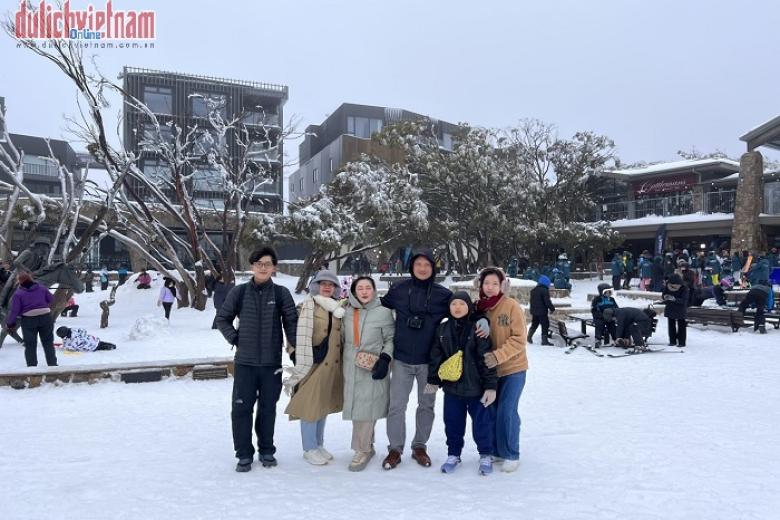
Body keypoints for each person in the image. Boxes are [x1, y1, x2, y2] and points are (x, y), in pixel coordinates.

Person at [215, 246, 298, 472]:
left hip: (271, 364)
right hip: (245, 364)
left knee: (268, 409)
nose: (263, 267)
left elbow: (291, 323)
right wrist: (236, 338)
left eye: (268, 264)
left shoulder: (281, 294)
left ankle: (267, 449)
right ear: (252, 266)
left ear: (274, 268)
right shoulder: (239, 292)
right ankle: (243, 453)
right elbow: (222, 319)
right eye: (259, 264)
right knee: (241, 409)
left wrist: (296, 352)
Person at [379, 249, 453, 470]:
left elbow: (463, 309)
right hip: (401, 360)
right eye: (418, 264)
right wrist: (348, 304)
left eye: (427, 265)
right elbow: (377, 308)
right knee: (396, 406)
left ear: (433, 268)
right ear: (412, 267)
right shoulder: (399, 289)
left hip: (429, 365)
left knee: (426, 405)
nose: (422, 268)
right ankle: (395, 448)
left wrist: (481, 321)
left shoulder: (442, 294)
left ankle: (419, 446)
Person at [428, 291, 497, 475]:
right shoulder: (442, 330)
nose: (457, 307)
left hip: (477, 388)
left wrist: (490, 386)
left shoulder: (478, 329)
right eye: (454, 304)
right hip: (453, 389)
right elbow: (436, 356)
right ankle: (453, 454)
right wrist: (433, 378)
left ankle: (485, 454)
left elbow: (486, 358)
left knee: (482, 423)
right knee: (452, 423)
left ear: (469, 307)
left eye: (462, 304)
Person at [284, 270, 345, 466]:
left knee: (323, 405)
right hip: (312, 364)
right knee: (310, 404)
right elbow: (293, 332)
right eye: (322, 283)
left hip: (333, 365)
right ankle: (309, 448)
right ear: (315, 286)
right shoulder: (306, 306)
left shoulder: (337, 309)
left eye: (331, 284)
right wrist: (294, 353)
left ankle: (318, 444)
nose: (327, 287)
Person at [475, 267, 527, 473]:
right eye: (486, 283)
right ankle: (497, 449)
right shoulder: (479, 308)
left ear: (502, 286)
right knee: (493, 411)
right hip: (490, 371)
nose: (490, 287)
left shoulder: (511, 306)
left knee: (507, 410)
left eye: (495, 284)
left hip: (513, 368)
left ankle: (511, 453)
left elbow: (519, 339)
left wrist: (497, 356)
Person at [342, 276, 395, 472]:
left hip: (372, 364)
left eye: (368, 288)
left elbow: (390, 338)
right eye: (360, 288)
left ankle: (361, 449)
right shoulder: (346, 311)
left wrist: (385, 358)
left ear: (374, 290)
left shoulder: (383, 312)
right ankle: (367, 445)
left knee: (366, 408)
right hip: (350, 365)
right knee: (360, 407)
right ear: (354, 291)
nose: (364, 291)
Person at [5, 271, 56, 367]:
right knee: (48, 343)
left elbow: (14, 311)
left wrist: (10, 324)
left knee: (30, 345)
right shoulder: (42, 288)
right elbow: (51, 299)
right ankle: (53, 365)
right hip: (46, 317)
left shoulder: (18, 294)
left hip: (29, 320)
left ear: (19, 281)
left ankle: (32, 368)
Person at [662, 274, 689, 347]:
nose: (673, 286)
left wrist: (674, 299)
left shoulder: (684, 288)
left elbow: (684, 300)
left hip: (680, 309)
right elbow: (663, 294)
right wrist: (665, 297)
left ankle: (682, 342)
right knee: (671, 326)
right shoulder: (667, 286)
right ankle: (672, 341)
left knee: (681, 326)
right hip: (670, 307)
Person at [527, 274, 555, 345]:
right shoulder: (544, 290)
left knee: (534, 324)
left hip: (534, 311)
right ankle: (544, 341)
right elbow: (547, 301)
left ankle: (529, 336)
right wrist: (552, 308)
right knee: (545, 325)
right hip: (542, 312)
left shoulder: (533, 290)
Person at [591, 283, 618, 347]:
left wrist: (615, 315)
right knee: (599, 324)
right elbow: (594, 310)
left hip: (610, 317)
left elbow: (616, 308)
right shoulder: (597, 300)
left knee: (613, 325)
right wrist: (601, 316)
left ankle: (616, 339)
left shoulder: (611, 299)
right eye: (607, 292)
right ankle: (598, 339)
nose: (609, 293)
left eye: (610, 292)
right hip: (600, 317)